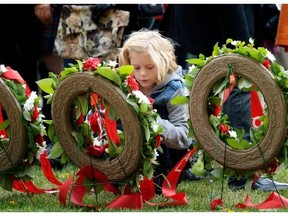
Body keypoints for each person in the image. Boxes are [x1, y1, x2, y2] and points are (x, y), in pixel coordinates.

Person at [118, 29, 195, 194]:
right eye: (136, 67)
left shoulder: (175, 89)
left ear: (164, 62)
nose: (142, 74)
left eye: (150, 67)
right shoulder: (128, 84)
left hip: (167, 159)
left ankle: (156, 182)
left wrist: (155, 123)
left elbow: (184, 138)